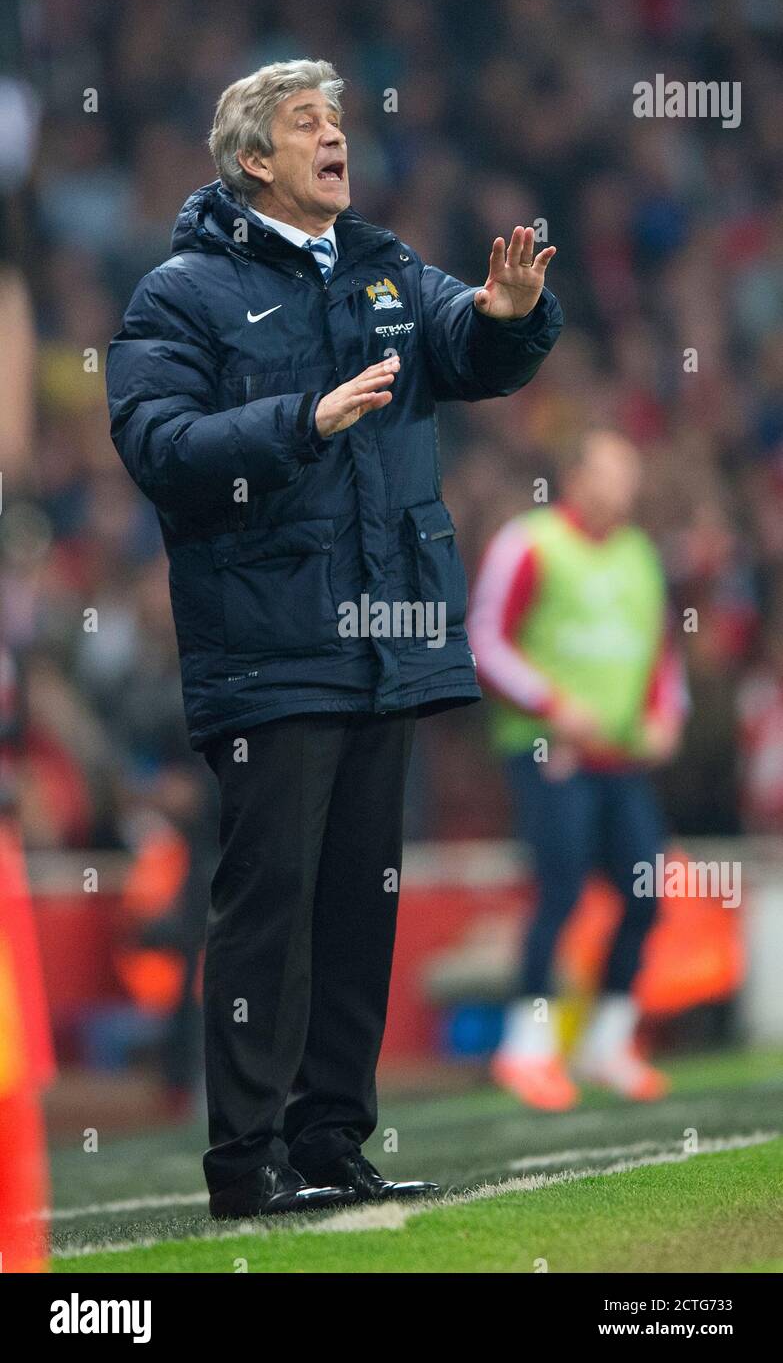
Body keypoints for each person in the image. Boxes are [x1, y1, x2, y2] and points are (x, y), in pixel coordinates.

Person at [105, 59, 563, 1216]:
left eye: (338, 119)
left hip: (385, 639)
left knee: (362, 904)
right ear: (254, 157)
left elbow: (465, 342)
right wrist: (299, 421)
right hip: (268, 647)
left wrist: (510, 318)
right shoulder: (179, 294)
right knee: (273, 912)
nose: (334, 136)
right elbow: (159, 446)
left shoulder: (383, 265)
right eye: (308, 121)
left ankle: (329, 1145)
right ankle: (244, 1165)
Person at [468, 431, 686, 1111]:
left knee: (645, 891)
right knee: (558, 889)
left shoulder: (637, 555)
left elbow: (656, 652)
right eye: (613, 474)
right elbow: (483, 639)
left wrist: (666, 714)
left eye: (631, 476)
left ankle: (607, 1041)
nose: (625, 488)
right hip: (548, 751)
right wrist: (550, 705)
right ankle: (525, 1049)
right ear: (575, 476)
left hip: (618, 756)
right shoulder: (528, 542)